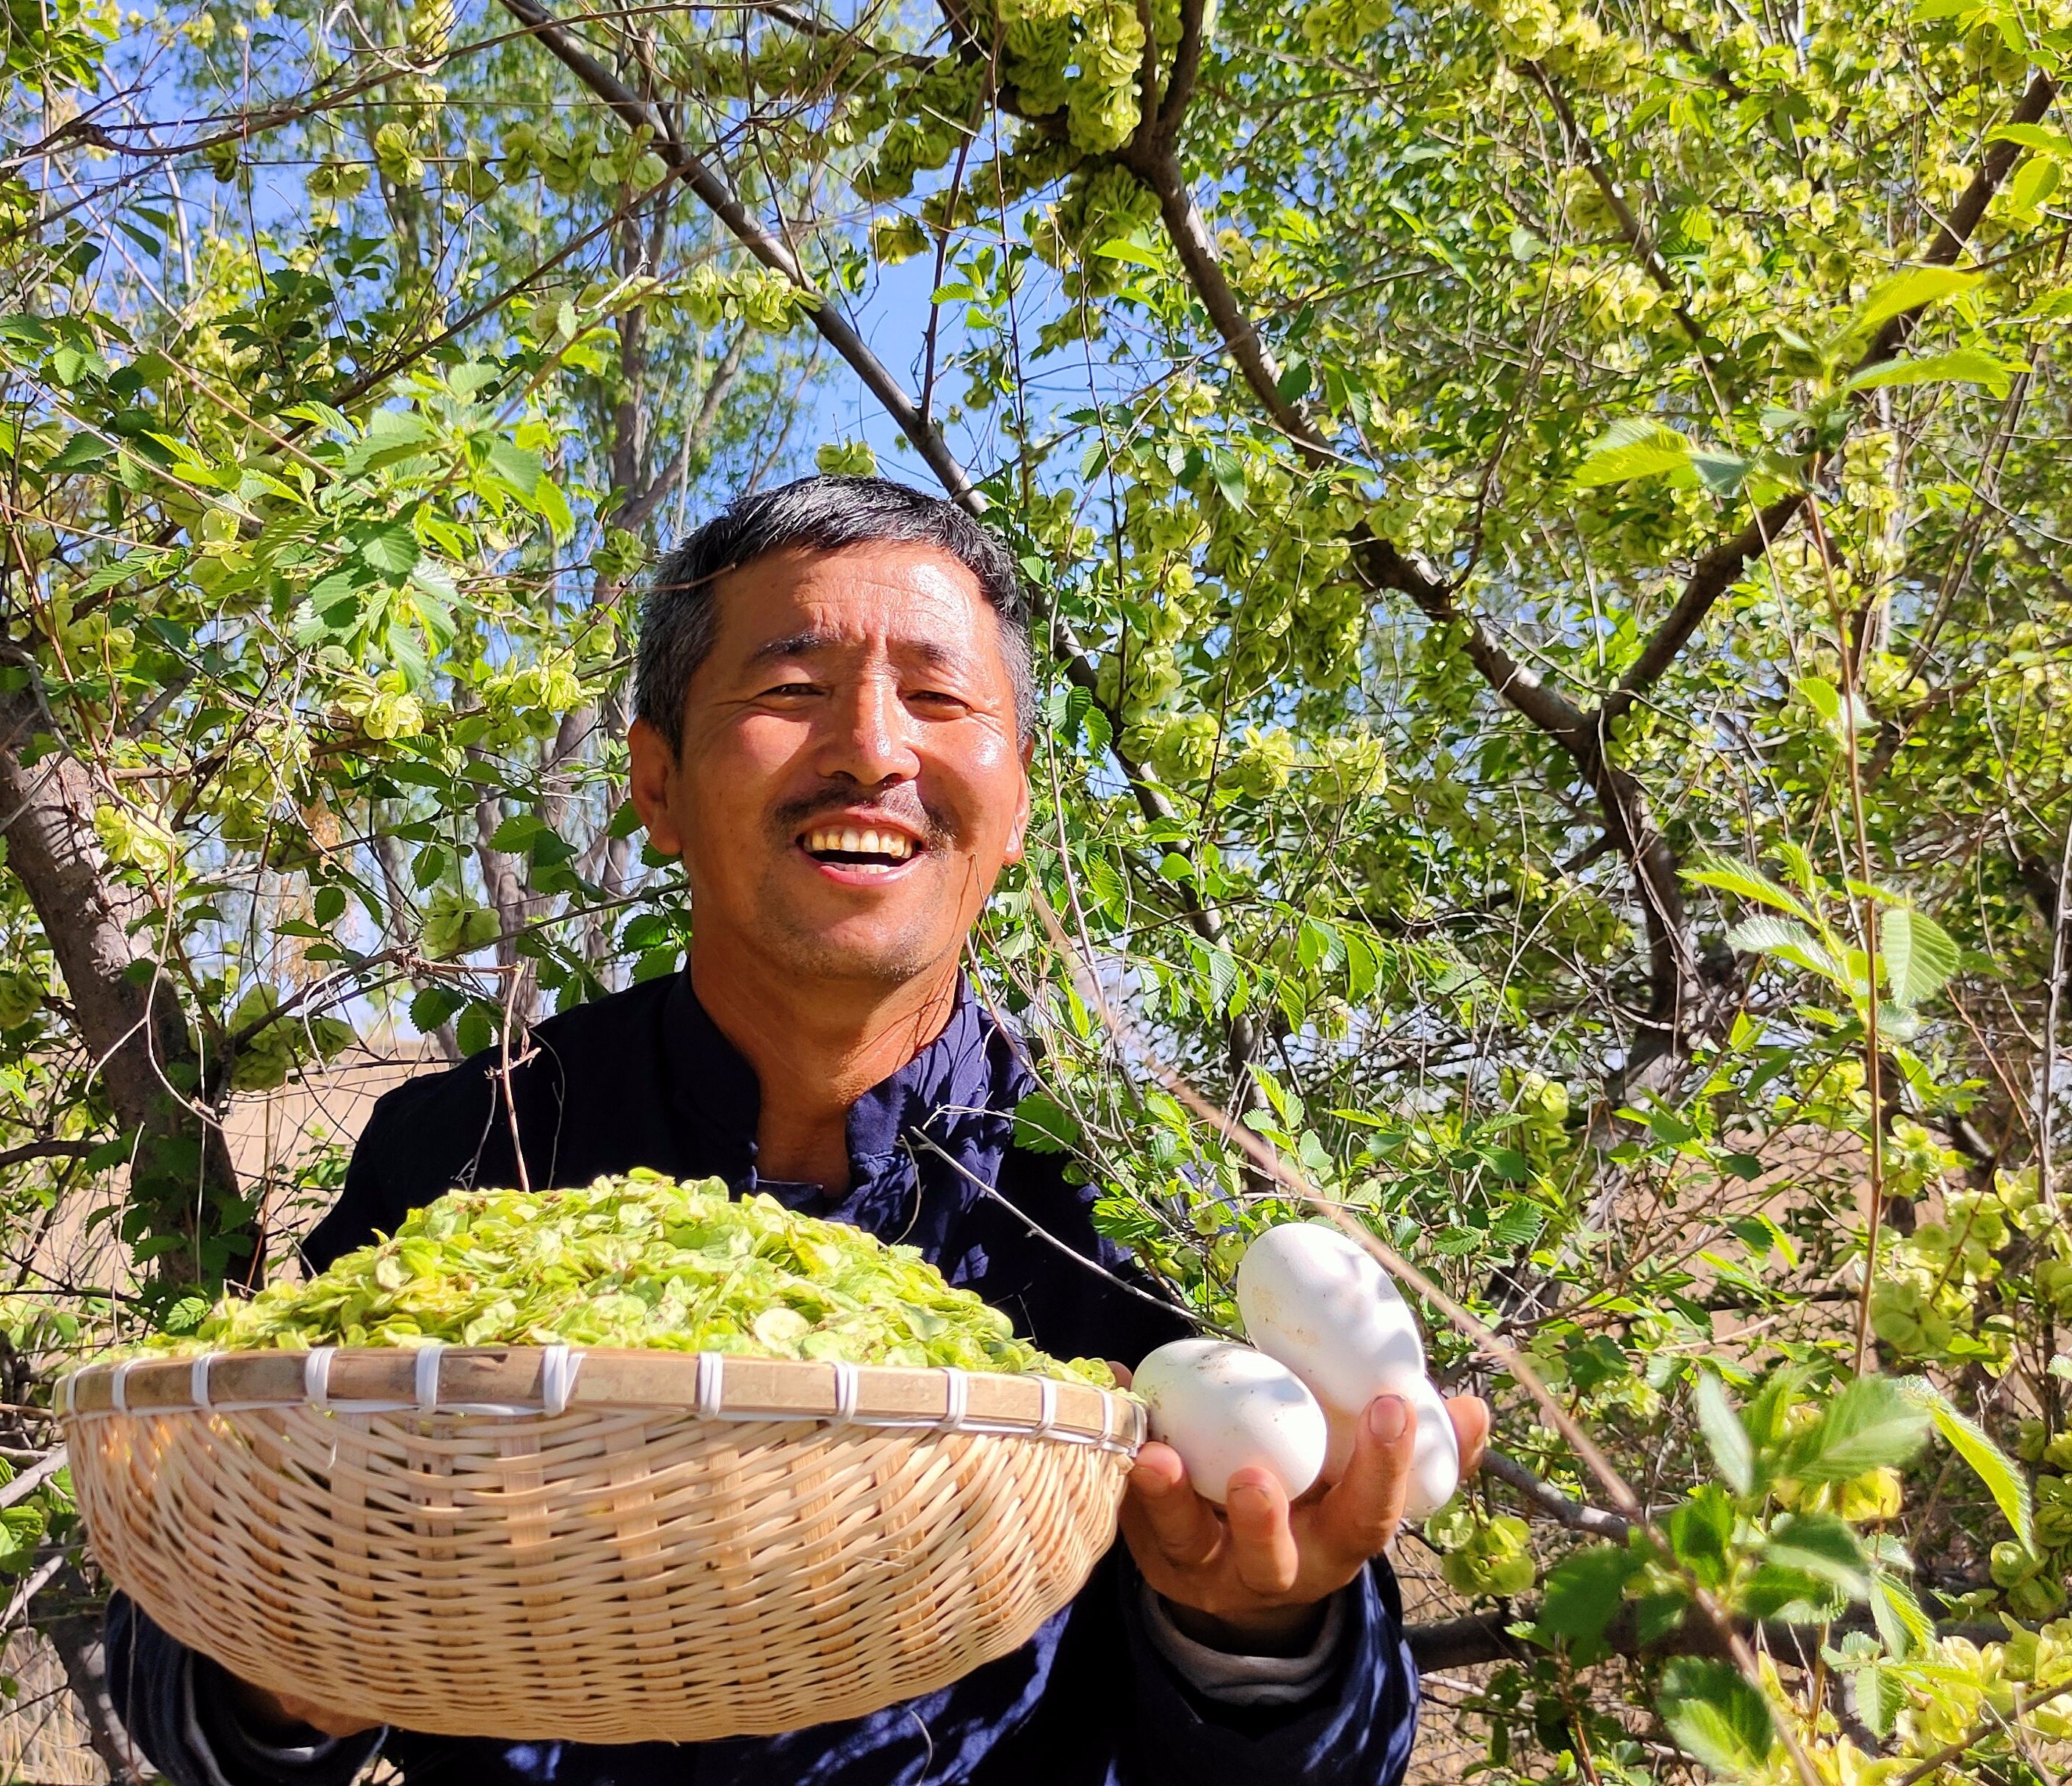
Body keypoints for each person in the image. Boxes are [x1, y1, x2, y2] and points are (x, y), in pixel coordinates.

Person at [105, 475, 1492, 1786]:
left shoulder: (1125, 1206)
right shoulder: (472, 1155)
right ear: (656, 785)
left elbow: (1337, 1753)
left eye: (941, 698)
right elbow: (190, 1678)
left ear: (1014, 803)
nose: (873, 749)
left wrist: (1249, 1632)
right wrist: (299, 1663)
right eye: (791, 690)